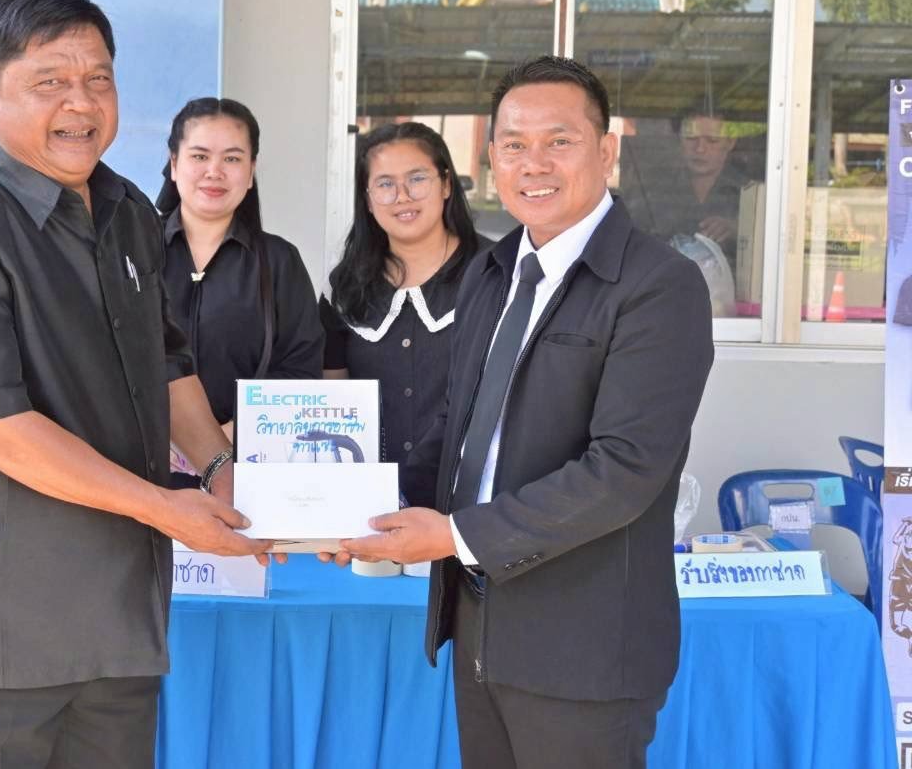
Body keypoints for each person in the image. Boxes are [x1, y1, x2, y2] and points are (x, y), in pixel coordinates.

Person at [0, 0, 268, 769]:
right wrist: (165, 507)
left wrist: (220, 466)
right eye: (50, 81)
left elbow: (166, 362)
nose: (81, 103)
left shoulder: (129, 213)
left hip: (117, 625)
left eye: (98, 79)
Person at [326, 56, 714, 769]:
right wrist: (357, 515)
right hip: (482, 632)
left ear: (606, 150)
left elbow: (625, 470)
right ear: (491, 157)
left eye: (559, 141)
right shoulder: (492, 271)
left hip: (584, 652)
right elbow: (458, 430)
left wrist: (453, 535)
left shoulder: (658, 285)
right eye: (513, 144)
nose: (533, 163)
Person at [157, 97, 324, 485]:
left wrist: (220, 441)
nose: (214, 171)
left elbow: (301, 371)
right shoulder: (132, 251)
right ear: (174, 164)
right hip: (146, 473)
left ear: (251, 172)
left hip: (247, 472)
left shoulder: (279, 261)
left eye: (232, 159)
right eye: (199, 156)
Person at [319, 122, 483, 508]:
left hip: (471, 507)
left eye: (417, 179)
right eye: (385, 184)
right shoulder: (343, 287)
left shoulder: (495, 272)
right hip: (368, 505)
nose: (402, 196)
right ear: (367, 198)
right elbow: (332, 399)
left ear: (446, 184)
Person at [622, 110, 754, 268]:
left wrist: (737, 230)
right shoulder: (657, 190)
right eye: (691, 138)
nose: (700, 149)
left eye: (712, 140)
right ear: (679, 139)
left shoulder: (748, 192)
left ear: (730, 143)